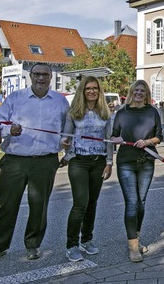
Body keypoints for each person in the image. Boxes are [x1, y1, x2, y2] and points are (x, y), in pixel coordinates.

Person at [0, 63, 69, 263]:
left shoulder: (60, 101)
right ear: (30, 76)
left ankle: (33, 245)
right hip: (15, 160)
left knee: (39, 206)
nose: (41, 78)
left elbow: (68, 129)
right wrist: (7, 131)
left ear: (50, 77)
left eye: (45, 75)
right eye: (37, 74)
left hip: (45, 161)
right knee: (6, 205)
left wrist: (68, 151)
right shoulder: (16, 98)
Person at [60, 76, 114, 262]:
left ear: (99, 91)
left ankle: (87, 239)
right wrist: (64, 143)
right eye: (88, 88)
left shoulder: (105, 112)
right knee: (80, 203)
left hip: (98, 162)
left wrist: (109, 163)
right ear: (82, 91)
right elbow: (65, 136)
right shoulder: (73, 112)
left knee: (92, 203)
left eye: (95, 88)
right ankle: (72, 245)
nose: (92, 91)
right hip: (78, 162)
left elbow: (108, 141)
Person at [110, 80, 162, 262]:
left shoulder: (152, 111)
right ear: (132, 92)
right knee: (132, 202)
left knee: (141, 202)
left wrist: (147, 142)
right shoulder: (121, 113)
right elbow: (113, 135)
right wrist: (116, 139)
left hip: (147, 162)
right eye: (136, 90)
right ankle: (133, 246)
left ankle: (136, 237)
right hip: (126, 162)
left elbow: (159, 137)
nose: (139, 93)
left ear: (146, 94)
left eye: (142, 91)